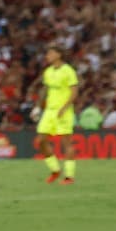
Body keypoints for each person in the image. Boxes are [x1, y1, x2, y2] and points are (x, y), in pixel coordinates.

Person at [33, 45, 79, 185]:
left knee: (66, 142)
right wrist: (37, 107)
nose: (47, 56)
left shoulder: (68, 71)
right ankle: (55, 170)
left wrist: (64, 108)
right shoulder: (48, 71)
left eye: (50, 53)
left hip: (63, 111)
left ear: (59, 55)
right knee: (40, 141)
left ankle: (69, 176)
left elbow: (74, 91)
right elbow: (45, 90)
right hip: (49, 111)